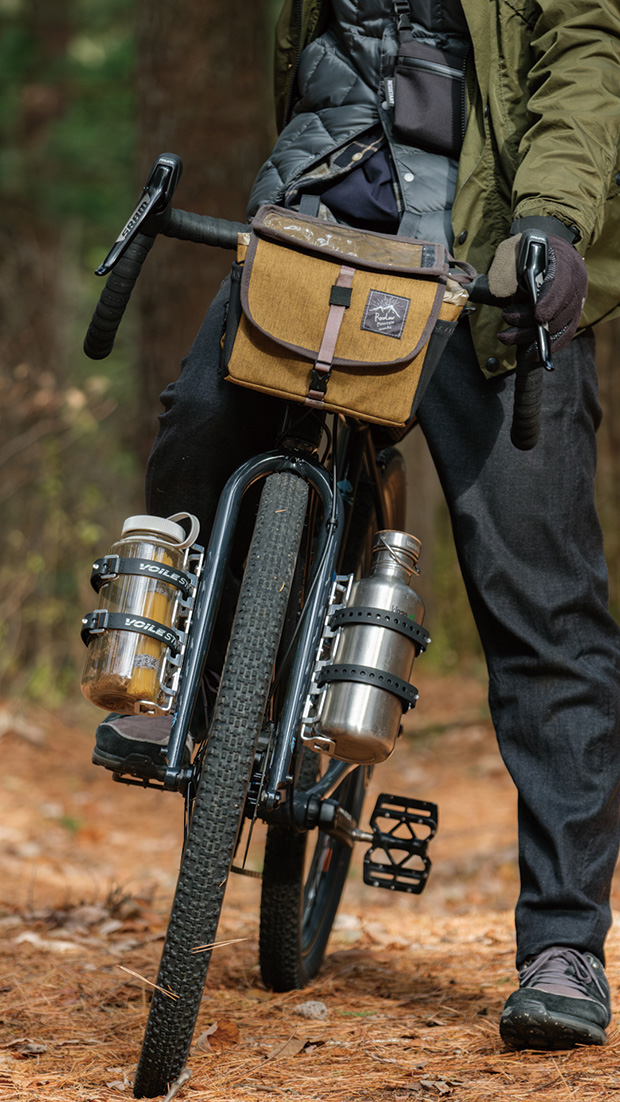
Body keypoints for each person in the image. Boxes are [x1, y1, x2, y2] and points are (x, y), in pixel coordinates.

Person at [93, 0, 620, 1052]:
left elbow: (582, 55)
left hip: (488, 242)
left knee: (546, 604)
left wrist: (553, 222)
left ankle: (563, 943)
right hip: (316, 205)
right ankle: (207, 692)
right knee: (198, 423)